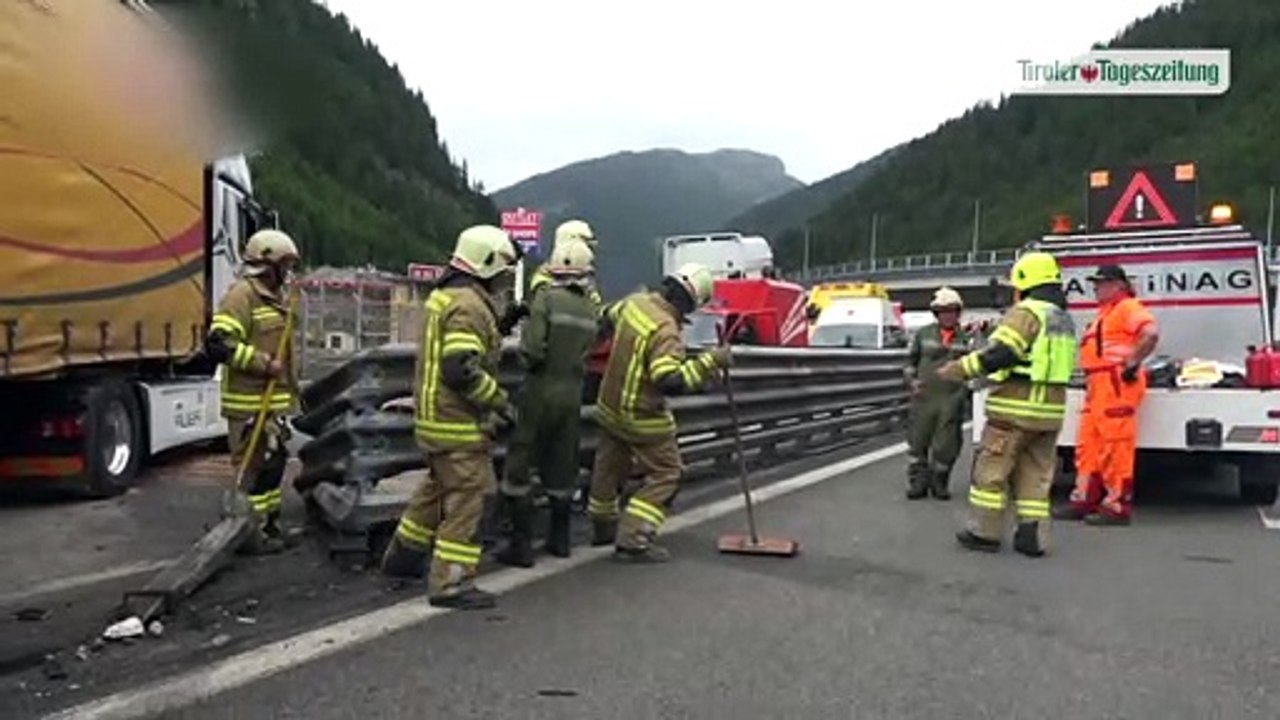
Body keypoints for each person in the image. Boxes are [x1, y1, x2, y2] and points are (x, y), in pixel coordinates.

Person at [380, 224, 520, 610]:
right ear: (487, 264)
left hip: (433, 421)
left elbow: (459, 349)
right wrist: (499, 402)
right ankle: (451, 583)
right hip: (457, 425)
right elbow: (461, 369)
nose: (505, 279)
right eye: (503, 271)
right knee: (473, 495)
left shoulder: (445, 298)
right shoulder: (470, 306)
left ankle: (402, 559)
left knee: (436, 490)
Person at [586, 262, 731, 562]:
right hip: (640, 415)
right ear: (692, 303)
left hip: (609, 406)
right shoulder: (667, 330)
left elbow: (604, 318)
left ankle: (602, 527)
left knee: (608, 466)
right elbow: (669, 381)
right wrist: (709, 363)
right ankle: (633, 538)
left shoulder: (634, 303)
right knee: (668, 472)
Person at [937, 251, 1076, 558]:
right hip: (1049, 413)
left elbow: (1001, 353)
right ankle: (1032, 537)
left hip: (1015, 408)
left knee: (991, 471)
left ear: (1025, 281)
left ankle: (984, 532)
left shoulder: (1026, 312)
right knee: (1035, 477)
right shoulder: (1062, 318)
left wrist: (959, 370)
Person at [496, 241, 599, 566]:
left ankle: (521, 546)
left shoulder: (545, 299)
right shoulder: (589, 308)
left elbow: (533, 350)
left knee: (520, 466)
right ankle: (560, 540)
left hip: (540, 392)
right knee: (561, 466)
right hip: (572, 394)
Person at [205, 229, 302, 555]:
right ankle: (251, 532)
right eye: (284, 266)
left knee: (273, 467)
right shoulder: (241, 296)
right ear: (268, 264)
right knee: (253, 471)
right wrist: (262, 363)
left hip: (271, 406)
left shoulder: (275, 300)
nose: (287, 273)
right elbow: (219, 345)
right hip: (248, 406)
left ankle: (268, 525)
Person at [1054, 264, 1158, 526]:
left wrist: (1132, 363)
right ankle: (1084, 498)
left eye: (1101, 283)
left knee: (1115, 445)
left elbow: (1150, 333)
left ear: (1118, 286)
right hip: (1099, 385)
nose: (1096, 288)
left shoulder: (1127, 308)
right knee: (1088, 445)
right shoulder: (1106, 313)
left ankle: (1116, 504)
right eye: (1096, 283)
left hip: (1116, 383)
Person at [903, 287, 974, 500]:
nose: (947, 315)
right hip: (924, 398)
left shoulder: (967, 338)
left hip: (952, 399)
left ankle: (940, 481)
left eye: (951, 311)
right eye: (943, 311)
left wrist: (965, 392)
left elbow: (975, 366)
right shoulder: (923, 334)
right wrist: (912, 381)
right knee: (918, 442)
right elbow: (910, 361)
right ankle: (918, 482)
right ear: (936, 313)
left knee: (947, 444)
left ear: (958, 312)